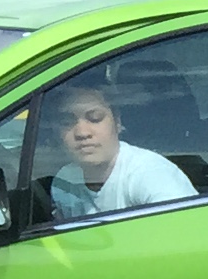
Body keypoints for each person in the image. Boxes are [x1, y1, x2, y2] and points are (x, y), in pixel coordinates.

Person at [41, 78, 195, 218]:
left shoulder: (150, 175)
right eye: (67, 122)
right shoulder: (65, 181)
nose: (82, 132)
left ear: (117, 122)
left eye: (95, 118)